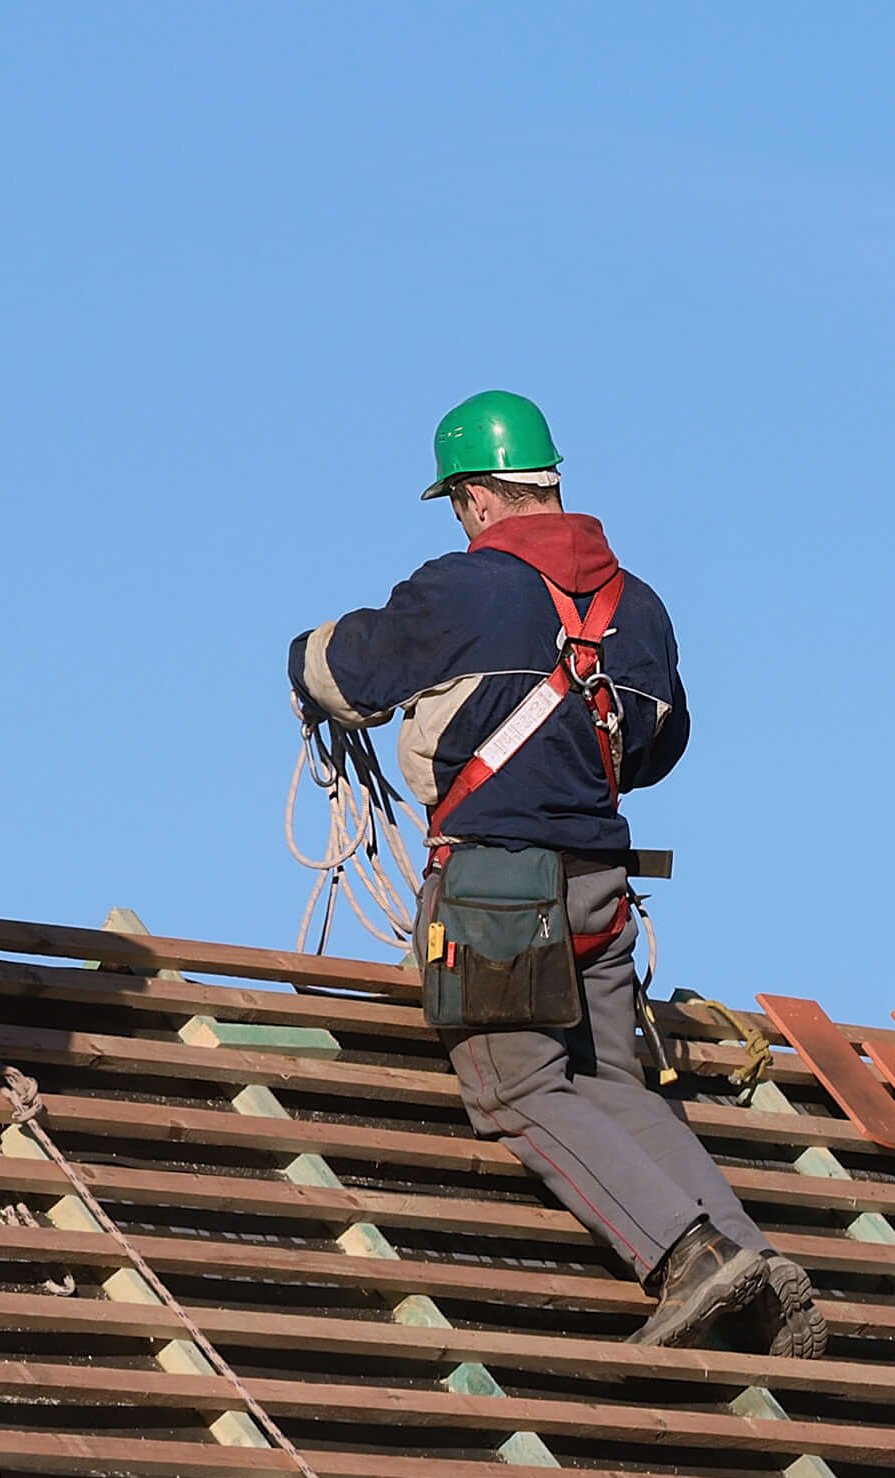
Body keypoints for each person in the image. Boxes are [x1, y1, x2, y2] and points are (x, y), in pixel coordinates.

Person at [287, 390, 820, 1358]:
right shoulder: (641, 606)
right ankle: (756, 1265)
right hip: (599, 883)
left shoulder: (464, 588)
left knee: (516, 1084)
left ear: (478, 496)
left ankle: (688, 1256)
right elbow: (659, 746)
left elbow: (347, 674)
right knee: (611, 1079)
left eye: (458, 502)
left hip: (497, 881)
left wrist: (302, 661)